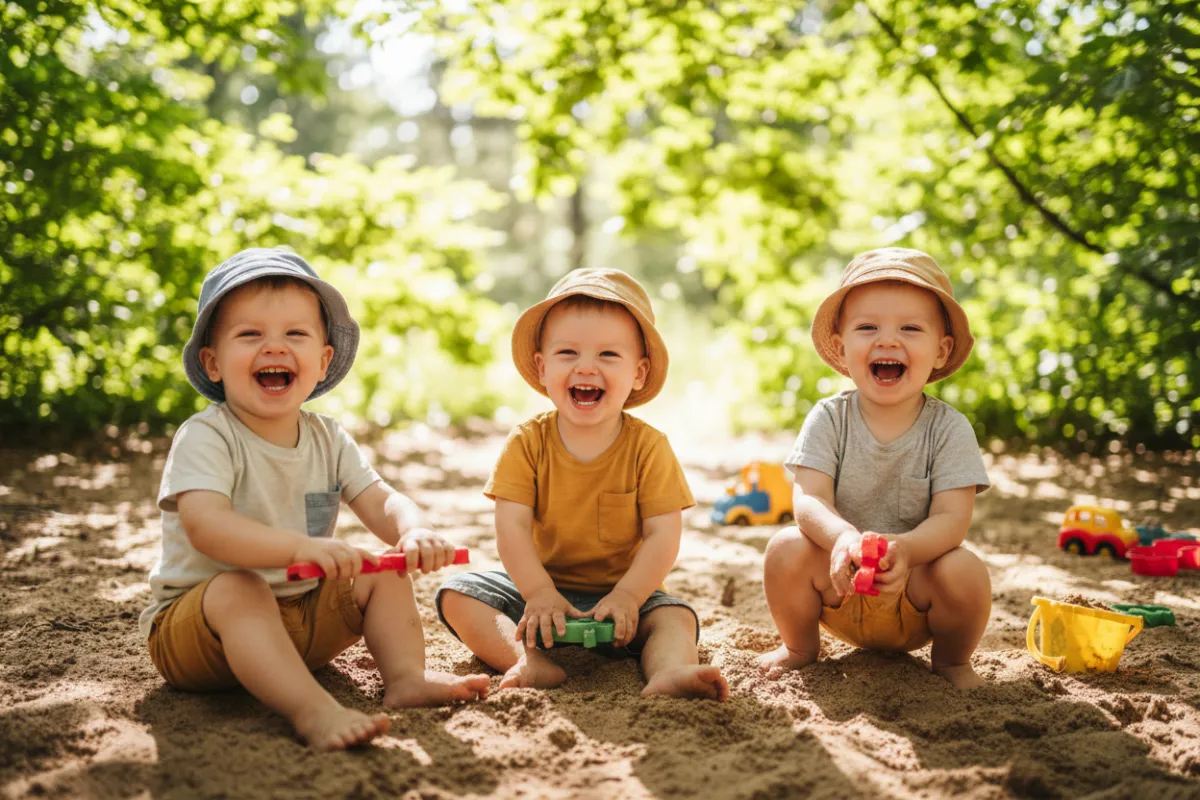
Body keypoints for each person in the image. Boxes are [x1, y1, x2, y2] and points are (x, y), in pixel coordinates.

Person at [139, 249, 489, 751]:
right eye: (251, 334)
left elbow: (380, 498)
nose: (274, 348)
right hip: (199, 634)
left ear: (323, 360)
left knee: (379, 567)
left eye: (295, 334)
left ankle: (406, 677)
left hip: (299, 619)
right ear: (212, 363)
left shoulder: (328, 437)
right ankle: (313, 711)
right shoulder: (207, 436)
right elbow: (205, 525)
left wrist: (412, 530)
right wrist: (297, 549)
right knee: (239, 587)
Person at [436, 268, 727, 701]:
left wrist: (629, 595)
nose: (585, 367)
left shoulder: (649, 447)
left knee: (675, 617)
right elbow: (511, 527)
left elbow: (663, 533)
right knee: (458, 595)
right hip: (537, 590)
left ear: (639, 373)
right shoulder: (527, 442)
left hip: (624, 595)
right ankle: (525, 659)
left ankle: (668, 671)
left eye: (608, 355)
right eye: (567, 352)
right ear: (542, 366)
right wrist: (538, 593)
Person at [756, 247, 992, 689]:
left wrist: (905, 550)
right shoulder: (829, 418)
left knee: (965, 571)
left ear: (941, 351)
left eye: (910, 328)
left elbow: (951, 520)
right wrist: (842, 538)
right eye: (867, 327)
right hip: (837, 583)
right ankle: (800, 647)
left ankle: (953, 661)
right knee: (785, 547)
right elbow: (808, 498)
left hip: (915, 590)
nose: (887, 340)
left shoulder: (949, 429)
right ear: (842, 349)